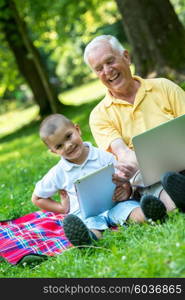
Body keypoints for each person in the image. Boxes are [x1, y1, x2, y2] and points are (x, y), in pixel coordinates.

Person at [84, 34, 185, 220]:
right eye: (99, 69)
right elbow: (122, 152)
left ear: (126, 57)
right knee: (163, 192)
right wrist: (132, 164)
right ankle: (178, 196)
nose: (107, 71)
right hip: (152, 179)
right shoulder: (99, 115)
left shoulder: (163, 87)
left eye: (110, 61)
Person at [32, 113, 145, 247]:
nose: (68, 145)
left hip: (114, 204)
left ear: (77, 130)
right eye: (59, 146)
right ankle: (88, 239)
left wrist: (125, 191)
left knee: (135, 212)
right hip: (86, 214)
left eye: (69, 136)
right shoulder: (58, 173)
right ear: (53, 152)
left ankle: (150, 213)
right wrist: (61, 208)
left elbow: (122, 180)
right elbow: (37, 198)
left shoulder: (102, 156)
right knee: (90, 228)